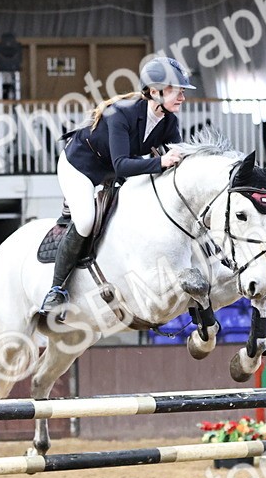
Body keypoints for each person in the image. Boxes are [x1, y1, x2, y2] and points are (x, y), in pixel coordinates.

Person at [39, 57, 195, 317]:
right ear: (155, 91)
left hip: (113, 171)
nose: (182, 97)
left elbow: (176, 160)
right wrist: (161, 161)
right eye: (177, 91)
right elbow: (123, 165)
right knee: (87, 221)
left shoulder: (168, 122)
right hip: (80, 167)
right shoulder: (121, 113)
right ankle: (56, 290)